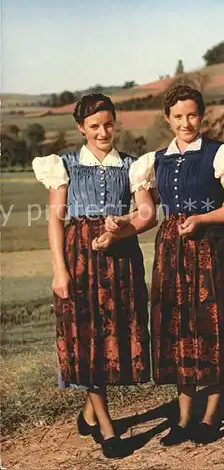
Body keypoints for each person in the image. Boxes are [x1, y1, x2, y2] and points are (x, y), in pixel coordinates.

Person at [127, 84, 224, 446]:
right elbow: (147, 213)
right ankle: (182, 418)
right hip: (171, 251)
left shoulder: (219, 154)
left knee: (212, 325)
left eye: (192, 115)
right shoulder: (152, 162)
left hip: (211, 248)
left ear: (202, 115)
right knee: (176, 329)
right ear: (168, 119)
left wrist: (203, 220)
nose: (186, 122)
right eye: (178, 116)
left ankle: (211, 415)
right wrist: (121, 224)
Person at [32, 93, 156, 458]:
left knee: (115, 334)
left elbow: (147, 214)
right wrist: (59, 269)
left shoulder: (133, 165)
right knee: (87, 338)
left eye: (108, 124)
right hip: (79, 258)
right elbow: (55, 219)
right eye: (94, 126)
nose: (103, 132)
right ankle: (106, 428)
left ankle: (89, 414)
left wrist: (121, 228)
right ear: (80, 128)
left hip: (120, 258)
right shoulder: (65, 164)